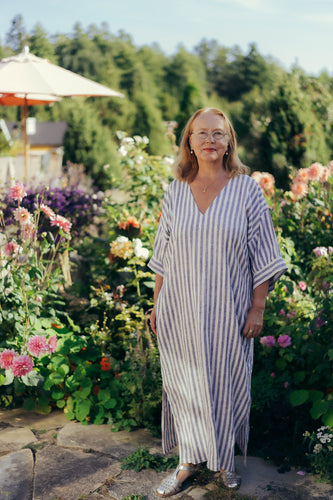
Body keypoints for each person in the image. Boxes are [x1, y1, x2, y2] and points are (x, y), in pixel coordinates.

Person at [148, 107, 287, 497]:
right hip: (180, 309)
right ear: (189, 143)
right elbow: (163, 254)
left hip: (230, 310)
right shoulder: (176, 191)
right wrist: (157, 304)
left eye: (219, 133)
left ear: (229, 142)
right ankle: (188, 462)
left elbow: (264, 251)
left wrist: (257, 307)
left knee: (228, 381)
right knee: (184, 383)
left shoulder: (246, 190)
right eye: (201, 133)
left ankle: (224, 460)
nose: (210, 140)